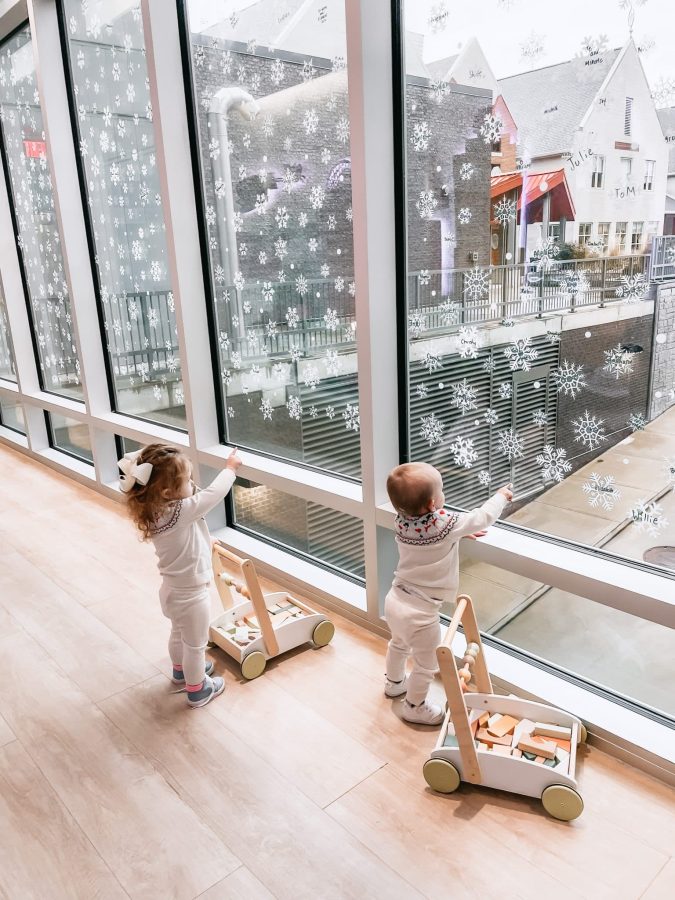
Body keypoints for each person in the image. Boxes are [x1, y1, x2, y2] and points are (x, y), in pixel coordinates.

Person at [384, 461, 513, 725]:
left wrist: (456, 535)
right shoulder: (446, 525)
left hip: (396, 599)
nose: (444, 495)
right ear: (432, 504)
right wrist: (500, 497)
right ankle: (414, 706)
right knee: (427, 665)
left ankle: (395, 684)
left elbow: (431, 535)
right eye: (441, 490)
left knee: (398, 644)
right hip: (421, 613)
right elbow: (482, 517)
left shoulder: (401, 520)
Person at [118, 443, 241, 708]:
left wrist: (207, 543)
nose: (193, 485)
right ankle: (197, 690)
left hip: (171, 592)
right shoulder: (181, 510)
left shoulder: (156, 512)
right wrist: (230, 470)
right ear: (167, 491)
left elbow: (184, 543)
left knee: (178, 633)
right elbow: (212, 494)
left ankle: (180, 672)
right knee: (196, 646)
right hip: (192, 596)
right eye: (188, 481)